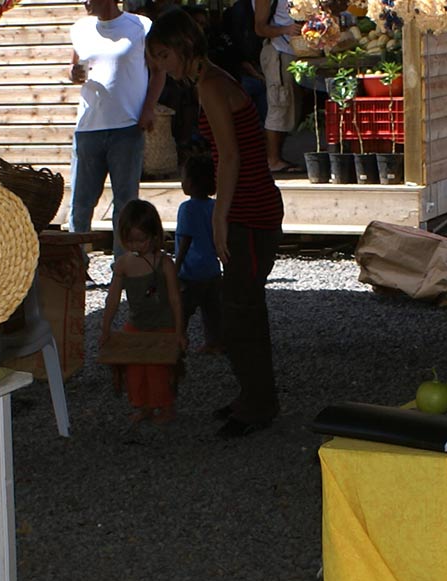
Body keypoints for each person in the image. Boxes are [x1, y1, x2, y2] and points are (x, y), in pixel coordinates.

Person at [148, 6, 284, 436]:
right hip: (252, 206)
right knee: (241, 308)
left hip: (251, 210)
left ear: (182, 49)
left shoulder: (209, 84)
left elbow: (231, 156)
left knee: (242, 311)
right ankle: (253, 395)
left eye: (163, 57)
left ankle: (258, 404)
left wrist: (219, 219)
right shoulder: (214, 79)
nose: (162, 68)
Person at [68, 0, 164, 249]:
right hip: (88, 127)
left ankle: (124, 266)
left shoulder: (140, 26)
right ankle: (75, 267)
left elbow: (158, 71)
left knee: (125, 203)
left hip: (127, 127)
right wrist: (72, 74)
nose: (85, 2)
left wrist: (148, 109)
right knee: (81, 203)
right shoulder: (80, 28)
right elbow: (74, 67)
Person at [100, 199, 185, 426]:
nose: (136, 245)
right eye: (130, 241)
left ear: (154, 235)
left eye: (141, 240)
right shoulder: (123, 264)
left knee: (157, 370)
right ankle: (143, 405)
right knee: (135, 369)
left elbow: (176, 299)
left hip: (163, 323)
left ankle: (165, 406)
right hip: (136, 323)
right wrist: (105, 328)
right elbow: (112, 299)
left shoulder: (164, 263)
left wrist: (179, 331)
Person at [174, 154, 222, 353]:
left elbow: (185, 239)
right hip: (211, 268)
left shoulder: (187, 208)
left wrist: (175, 268)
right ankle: (215, 342)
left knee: (182, 310)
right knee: (212, 311)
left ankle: (177, 342)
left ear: (191, 183)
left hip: (191, 271)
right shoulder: (214, 206)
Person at [253, 0, 303, 174]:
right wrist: (286, 30)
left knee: (289, 105)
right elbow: (259, 28)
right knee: (279, 104)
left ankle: (277, 157)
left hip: (294, 52)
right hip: (278, 51)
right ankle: (272, 159)